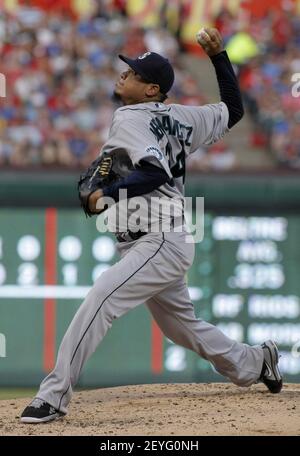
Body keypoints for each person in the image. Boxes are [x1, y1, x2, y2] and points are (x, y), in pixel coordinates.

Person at [21, 28, 282, 423]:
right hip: (165, 236)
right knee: (182, 328)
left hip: (158, 236)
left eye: (134, 73)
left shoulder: (128, 117)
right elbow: (234, 109)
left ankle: (53, 395)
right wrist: (218, 57)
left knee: (101, 298)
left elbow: (153, 173)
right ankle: (257, 361)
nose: (124, 74)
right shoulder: (182, 116)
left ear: (150, 89)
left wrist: (109, 194)